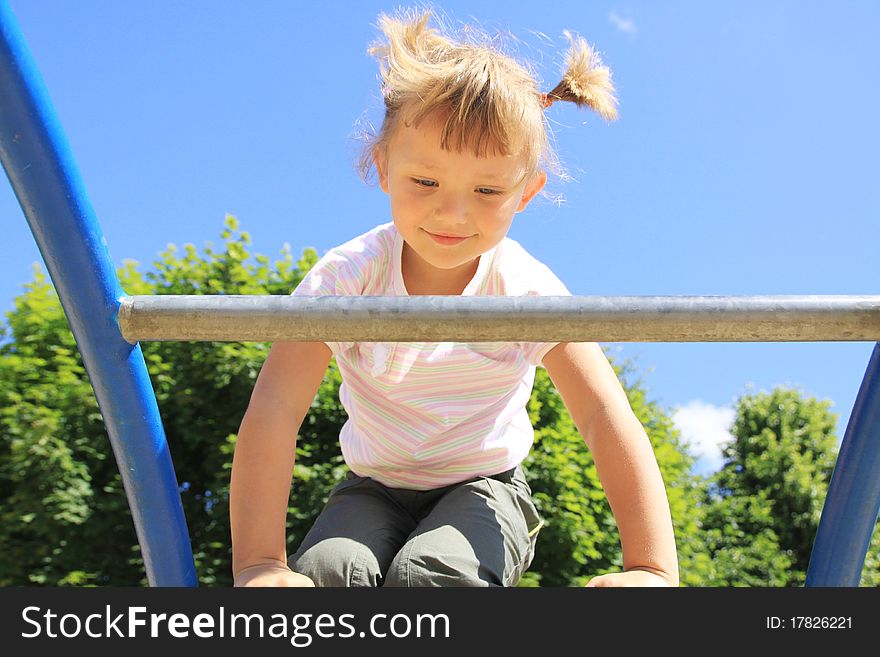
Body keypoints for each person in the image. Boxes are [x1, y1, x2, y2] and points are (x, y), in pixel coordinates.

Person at [230, 10, 679, 588]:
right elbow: (274, 410)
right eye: (425, 182)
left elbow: (601, 415)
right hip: (373, 487)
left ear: (526, 192)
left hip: (488, 486)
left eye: (487, 190)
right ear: (382, 166)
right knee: (328, 573)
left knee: (432, 577)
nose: (452, 212)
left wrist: (650, 568)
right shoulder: (347, 278)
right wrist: (260, 563)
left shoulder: (526, 290)